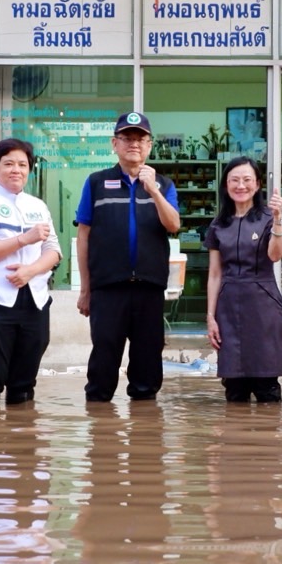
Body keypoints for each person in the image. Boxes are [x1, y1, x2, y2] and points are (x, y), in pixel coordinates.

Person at [74, 111, 181, 402]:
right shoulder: (96, 182)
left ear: (150, 145)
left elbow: (173, 225)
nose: (134, 144)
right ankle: (100, 432)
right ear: (115, 143)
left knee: (147, 366)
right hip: (108, 287)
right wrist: (86, 289)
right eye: (127, 138)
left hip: (149, 287)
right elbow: (83, 236)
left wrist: (154, 191)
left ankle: (145, 436)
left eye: (141, 139)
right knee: (103, 364)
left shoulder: (165, 184)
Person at [0, 138, 62, 406]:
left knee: (24, 383)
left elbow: (53, 250)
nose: (16, 170)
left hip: (35, 301)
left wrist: (31, 271)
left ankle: (23, 442)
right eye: (8, 164)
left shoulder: (38, 206)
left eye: (22, 164)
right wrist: (23, 239)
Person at [204, 157, 282, 402]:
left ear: (258, 184)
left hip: (263, 304)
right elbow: (215, 274)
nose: (241, 186)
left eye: (247, 180)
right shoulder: (218, 225)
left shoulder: (267, 218)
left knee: (267, 384)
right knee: (234, 387)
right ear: (226, 185)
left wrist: (277, 218)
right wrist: (211, 317)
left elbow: (275, 255)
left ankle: (269, 436)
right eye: (234, 180)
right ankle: (235, 438)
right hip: (228, 307)